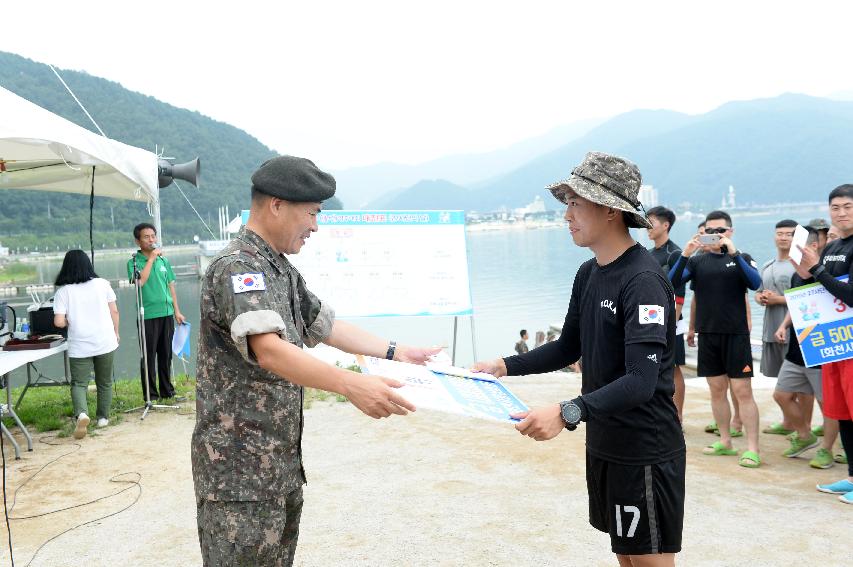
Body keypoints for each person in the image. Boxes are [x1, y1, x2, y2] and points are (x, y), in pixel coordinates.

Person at [191, 155, 440, 566]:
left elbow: (324, 325)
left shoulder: (280, 270)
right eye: (312, 213)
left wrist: (398, 352)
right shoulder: (238, 267)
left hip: (278, 464)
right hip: (238, 473)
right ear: (276, 205)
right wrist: (349, 383)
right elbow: (268, 349)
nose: (315, 226)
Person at [474, 152, 685, 565]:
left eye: (575, 203)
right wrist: (502, 365)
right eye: (566, 204)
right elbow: (568, 347)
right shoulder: (589, 273)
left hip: (644, 448)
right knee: (626, 557)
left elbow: (641, 380)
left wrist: (569, 410)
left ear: (609, 210)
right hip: (606, 442)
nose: (566, 215)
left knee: (649, 561)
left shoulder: (642, 280)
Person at [669, 210, 763, 467]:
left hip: (736, 335)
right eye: (709, 231)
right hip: (708, 334)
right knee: (717, 390)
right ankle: (725, 441)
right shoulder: (697, 262)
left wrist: (732, 251)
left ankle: (753, 448)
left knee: (743, 391)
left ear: (730, 232)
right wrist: (686, 252)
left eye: (720, 231)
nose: (714, 235)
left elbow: (755, 283)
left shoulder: (742, 258)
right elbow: (669, 282)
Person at [791, 184, 853, 504]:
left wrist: (815, 268)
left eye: (847, 206)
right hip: (834, 342)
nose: (841, 213)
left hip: (852, 344)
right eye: (835, 208)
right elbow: (818, 287)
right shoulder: (832, 246)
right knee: (842, 412)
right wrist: (806, 268)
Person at [772, 227, 840, 466]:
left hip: (820, 349)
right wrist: (784, 325)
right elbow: (797, 303)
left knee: (828, 405)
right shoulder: (795, 275)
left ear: (812, 247)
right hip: (796, 349)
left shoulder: (826, 273)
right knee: (781, 394)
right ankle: (804, 434)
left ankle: (828, 449)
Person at [52, 250, 119, 439]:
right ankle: (103, 418)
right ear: (88, 264)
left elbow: (58, 322)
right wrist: (116, 332)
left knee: (79, 383)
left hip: (80, 344)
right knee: (104, 382)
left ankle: (82, 414)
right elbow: (114, 311)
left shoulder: (63, 292)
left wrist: (69, 320)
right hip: (105, 340)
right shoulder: (103, 284)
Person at [127, 222, 186, 401]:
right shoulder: (134, 262)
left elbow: (171, 286)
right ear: (138, 241)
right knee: (148, 356)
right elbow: (140, 283)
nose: (151, 240)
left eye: (153, 236)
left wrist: (177, 310)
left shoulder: (164, 261)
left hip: (166, 313)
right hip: (148, 315)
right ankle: (150, 395)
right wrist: (151, 259)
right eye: (147, 237)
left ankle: (167, 392)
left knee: (166, 354)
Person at [646, 206, 687, 422]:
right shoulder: (649, 254)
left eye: (650, 222)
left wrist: (671, 322)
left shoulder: (675, 253)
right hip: (653, 317)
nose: (647, 227)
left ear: (665, 225)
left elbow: (679, 292)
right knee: (655, 365)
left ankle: (677, 415)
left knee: (674, 367)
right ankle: (660, 411)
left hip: (672, 321)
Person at [756, 220, 797, 378]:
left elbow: (808, 298)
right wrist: (762, 298)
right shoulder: (767, 265)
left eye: (789, 234)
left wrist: (777, 300)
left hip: (793, 333)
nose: (784, 238)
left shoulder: (800, 266)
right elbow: (758, 293)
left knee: (796, 382)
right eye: (780, 234)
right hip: (770, 331)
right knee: (778, 380)